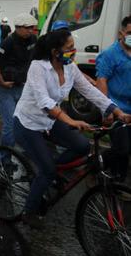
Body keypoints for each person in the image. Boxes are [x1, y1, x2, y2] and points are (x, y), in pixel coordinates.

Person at [13, 30, 131, 229]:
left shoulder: (70, 68)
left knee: (82, 146)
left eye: (73, 47)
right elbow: (45, 102)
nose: (73, 52)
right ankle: (29, 211)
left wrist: (117, 111)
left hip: (52, 121)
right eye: (69, 49)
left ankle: (51, 173)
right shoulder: (38, 67)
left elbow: (90, 90)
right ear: (54, 51)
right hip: (28, 123)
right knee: (47, 169)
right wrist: (71, 121)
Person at [0, 13, 37, 149]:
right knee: (10, 124)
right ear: (18, 28)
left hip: (23, 87)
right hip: (6, 90)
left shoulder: (33, 39)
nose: (30, 30)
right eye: (27, 28)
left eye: (32, 27)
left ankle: (28, 153)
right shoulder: (9, 42)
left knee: (25, 122)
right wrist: (1, 81)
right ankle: (5, 158)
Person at [96, 15, 131, 181]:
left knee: (125, 148)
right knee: (122, 149)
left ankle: (97, 162)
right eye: (130, 32)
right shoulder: (109, 54)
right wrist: (107, 110)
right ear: (121, 33)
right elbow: (101, 80)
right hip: (117, 108)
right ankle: (118, 182)